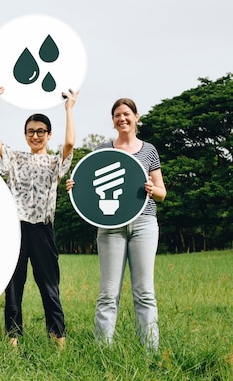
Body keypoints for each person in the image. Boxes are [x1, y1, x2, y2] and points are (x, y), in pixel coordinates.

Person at [68, 98, 166, 351]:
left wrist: (151, 188)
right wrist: (75, 187)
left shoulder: (148, 150)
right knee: (108, 293)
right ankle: (103, 350)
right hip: (110, 226)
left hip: (144, 223)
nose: (122, 119)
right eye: (117, 115)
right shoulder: (103, 149)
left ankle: (150, 350)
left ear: (136, 117)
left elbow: (162, 193)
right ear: (112, 121)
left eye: (126, 114)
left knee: (144, 292)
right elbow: (88, 182)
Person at [0, 84, 78, 349]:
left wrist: (69, 109)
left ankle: (58, 338)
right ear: (25, 135)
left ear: (49, 135)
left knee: (49, 287)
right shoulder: (16, 158)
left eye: (40, 132)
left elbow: (70, 143)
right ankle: (13, 340)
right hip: (16, 229)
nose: (35, 136)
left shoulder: (54, 163)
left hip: (43, 229)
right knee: (14, 288)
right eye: (31, 132)